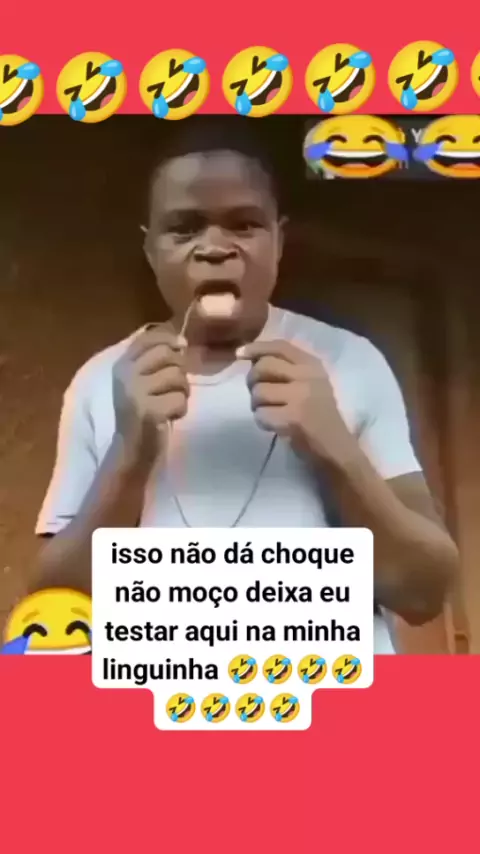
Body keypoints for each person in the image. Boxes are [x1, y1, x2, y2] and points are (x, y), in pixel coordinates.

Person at [31, 120, 458, 653]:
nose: (214, 248)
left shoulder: (350, 361)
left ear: (278, 240)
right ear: (150, 249)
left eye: (244, 225)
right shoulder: (103, 381)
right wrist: (129, 454)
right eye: (184, 228)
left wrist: (336, 449)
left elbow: (423, 593)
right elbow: (54, 610)